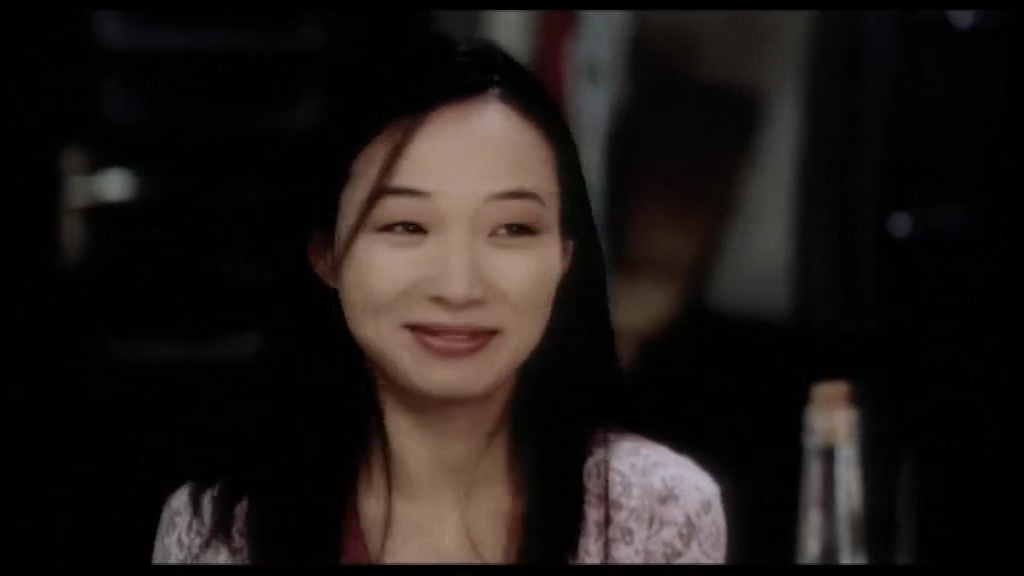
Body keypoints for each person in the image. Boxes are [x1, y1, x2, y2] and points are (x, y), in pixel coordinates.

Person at [151, 33, 725, 564]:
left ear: (564, 256)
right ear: (325, 255)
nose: (458, 287)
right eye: (406, 226)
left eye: (512, 229)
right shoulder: (219, 532)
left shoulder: (656, 509)